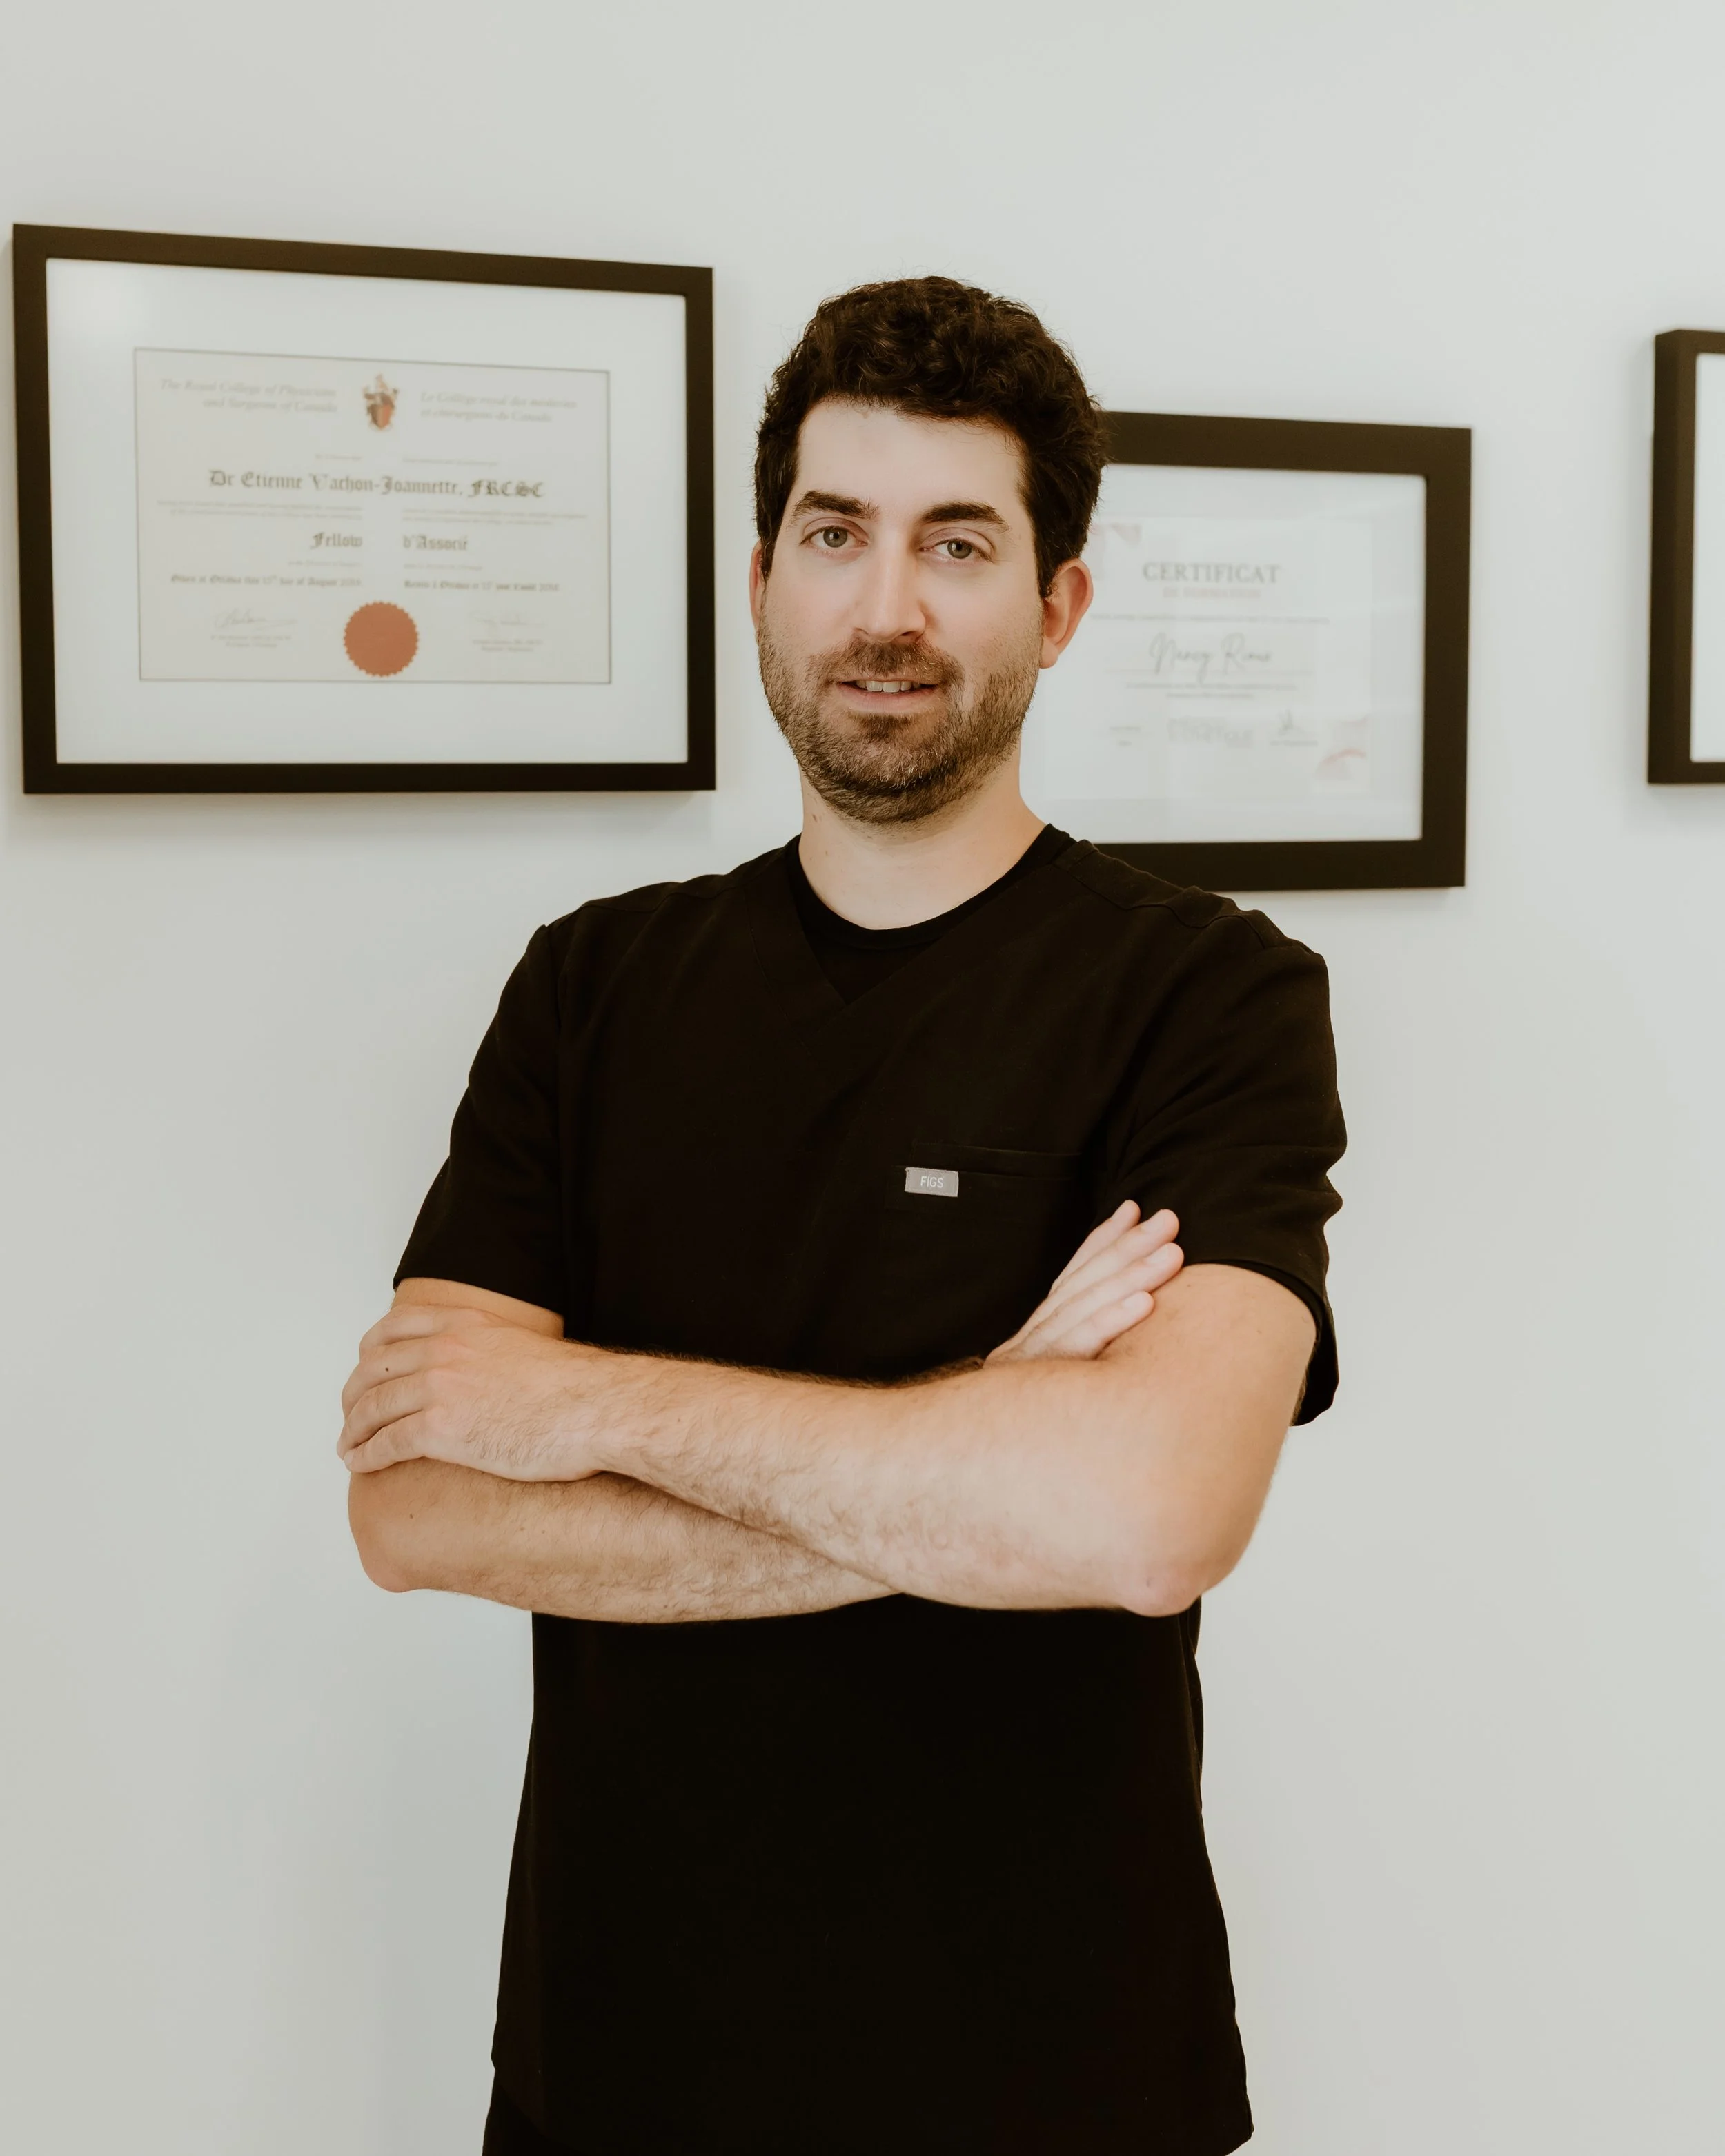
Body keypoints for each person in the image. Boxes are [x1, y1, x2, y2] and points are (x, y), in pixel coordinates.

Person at [342, 275, 1345, 2156]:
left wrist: (583, 1411)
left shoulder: (1205, 994)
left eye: (955, 543)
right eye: (834, 534)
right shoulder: (590, 987)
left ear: (1054, 604)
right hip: (619, 2068)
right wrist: (981, 1431)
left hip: (1060, 2080)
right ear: (759, 583)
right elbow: (413, 1504)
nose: (884, 607)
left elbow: (1144, 1516)